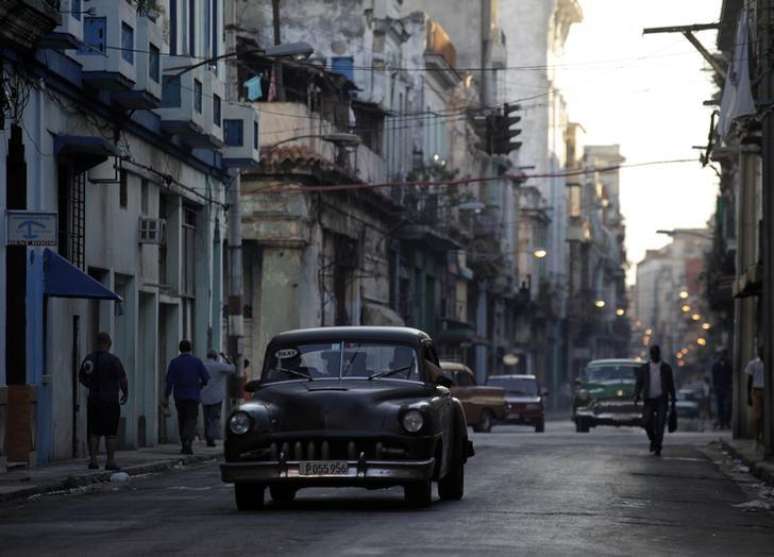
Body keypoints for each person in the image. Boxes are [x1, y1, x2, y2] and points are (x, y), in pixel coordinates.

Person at [78, 332, 128, 471]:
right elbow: (122, 378)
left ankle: (93, 460)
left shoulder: (89, 359)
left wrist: (92, 386)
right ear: (108, 343)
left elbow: (81, 377)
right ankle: (110, 461)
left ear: (97, 342)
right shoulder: (113, 360)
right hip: (110, 400)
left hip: (94, 400)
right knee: (111, 432)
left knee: (94, 431)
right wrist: (125, 392)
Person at [164, 340, 209, 455]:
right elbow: (206, 378)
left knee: (182, 418)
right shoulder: (197, 362)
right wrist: (200, 386)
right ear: (190, 349)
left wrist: (166, 395)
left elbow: (169, 381)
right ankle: (188, 439)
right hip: (193, 395)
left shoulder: (174, 362)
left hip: (179, 395)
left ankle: (184, 443)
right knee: (191, 419)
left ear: (180, 349)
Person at [634, 345, 676, 457]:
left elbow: (671, 385)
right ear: (650, 354)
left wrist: (673, 399)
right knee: (646, 422)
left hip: (662, 400)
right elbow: (639, 383)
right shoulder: (645, 368)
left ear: (659, 354)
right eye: (652, 353)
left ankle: (658, 446)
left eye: (655, 353)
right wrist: (637, 395)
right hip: (649, 400)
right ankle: (653, 440)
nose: (653, 355)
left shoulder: (666, 368)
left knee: (660, 424)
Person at [200, 350, 237, 447]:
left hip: (204, 395)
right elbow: (233, 369)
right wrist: (226, 358)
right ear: (216, 357)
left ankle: (208, 437)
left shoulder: (203, 365)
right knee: (214, 418)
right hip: (216, 397)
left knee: (206, 418)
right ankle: (211, 438)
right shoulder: (219, 366)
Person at [745, 345, 765, 446]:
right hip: (756, 391)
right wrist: (748, 395)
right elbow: (749, 381)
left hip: (767, 391)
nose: (760, 353)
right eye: (759, 351)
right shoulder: (753, 364)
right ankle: (756, 437)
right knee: (757, 416)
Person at [712, 349, 733, 429]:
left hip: (727, 388)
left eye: (723, 355)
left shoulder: (729, 365)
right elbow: (714, 377)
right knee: (720, 406)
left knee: (729, 406)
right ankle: (721, 423)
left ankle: (727, 421)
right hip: (719, 388)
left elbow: (731, 375)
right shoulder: (715, 365)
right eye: (721, 355)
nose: (722, 356)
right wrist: (715, 386)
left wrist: (731, 385)